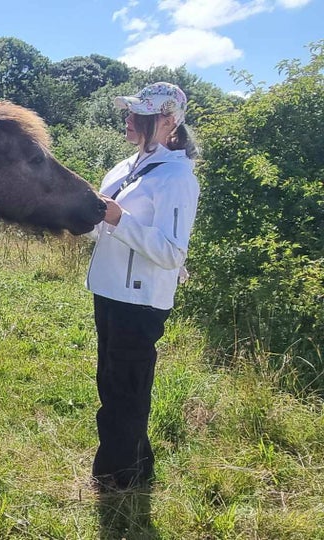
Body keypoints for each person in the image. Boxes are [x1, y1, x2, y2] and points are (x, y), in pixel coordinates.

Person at [85, 81, 200, 491]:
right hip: (109, 290)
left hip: (140, 300)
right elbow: (104, 228)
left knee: (126, 391)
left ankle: (118, 477)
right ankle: (137, 465)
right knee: (111, 383)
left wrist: (119, 220)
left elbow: (172, 253)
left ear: (169, 123)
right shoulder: (123, 168)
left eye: (142, 115)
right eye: (131, 111)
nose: (130, 119)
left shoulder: (176, 178)